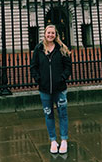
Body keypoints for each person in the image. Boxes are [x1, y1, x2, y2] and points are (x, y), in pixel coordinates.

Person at [30, 24, 72, 154]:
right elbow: (33, 66)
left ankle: (64, 140)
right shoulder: (38, 49)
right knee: (48, 115)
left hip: (60, 88)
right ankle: (53, 140)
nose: (50, 35)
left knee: (63, 114)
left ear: (56, 35)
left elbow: (68, 67)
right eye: (48, 33)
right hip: (45, 89)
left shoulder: (62, 49)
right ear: (45, 33)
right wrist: (39, 80)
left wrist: (62, 78)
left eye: (52, 33)